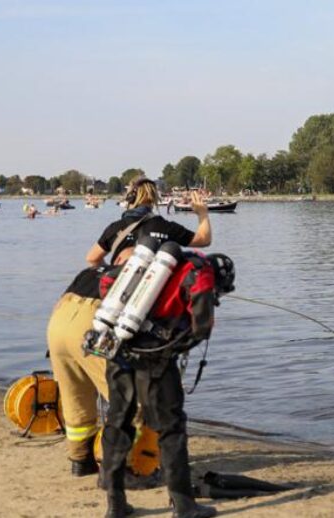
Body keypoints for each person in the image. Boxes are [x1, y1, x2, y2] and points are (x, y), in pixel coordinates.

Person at [93, 177, 217, 518]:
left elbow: (92, 261)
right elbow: (204, 241)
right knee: (170, 426)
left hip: (117, 337)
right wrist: (202, 213)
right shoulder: (165, 227)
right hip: (155, 349)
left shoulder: (116, 227)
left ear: (130, 198)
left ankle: (115, 505)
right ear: (157, 198)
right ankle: (183, 505)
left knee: (117, 423)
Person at [46, 266, 111, 476]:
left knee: (75, 397)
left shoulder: (89, 272)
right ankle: (122, 464)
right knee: (127, 400)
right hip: (91, 324)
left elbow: (59, 303)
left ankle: (80, 461)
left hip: (58, 325)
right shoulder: (133, 275)